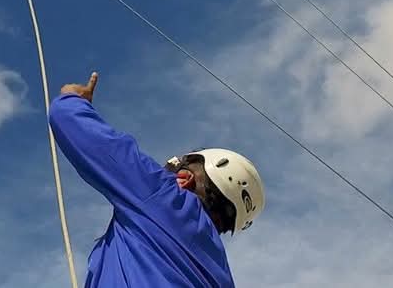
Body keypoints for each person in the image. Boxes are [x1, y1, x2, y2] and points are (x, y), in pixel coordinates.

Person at [48, 72, 265, 287]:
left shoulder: (165, 198)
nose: (167, 170)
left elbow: (70, 121)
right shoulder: (223, 279)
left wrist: (73, 100)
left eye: (173, 166)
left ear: (185, 178)